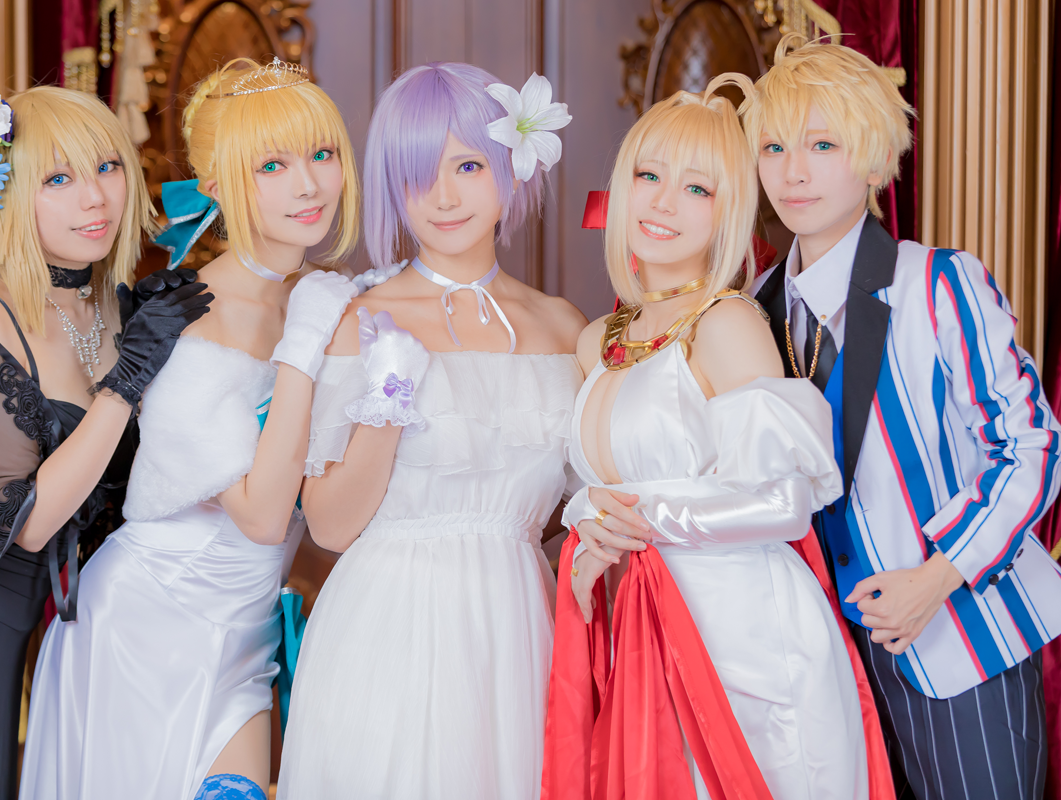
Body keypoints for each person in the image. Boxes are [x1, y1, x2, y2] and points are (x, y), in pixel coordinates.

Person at [19, 58, 362, 800]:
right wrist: (304, 344)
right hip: (146, 627)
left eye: (322, 154)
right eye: (272, 165)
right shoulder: (193, 324)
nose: (308, 185)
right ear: (216, 184)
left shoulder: (326, 300)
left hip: (247, 630)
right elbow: (263, 516)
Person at [0, 83, 211, 799]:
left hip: (5, 621)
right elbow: (27, 522)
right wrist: (127, 383)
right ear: (12, 194)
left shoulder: (111, 306)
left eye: (107, 167)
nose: (96, 198)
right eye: (58, 179)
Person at [544, 75, 888, 799]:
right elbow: (591, 495)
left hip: (749, 645)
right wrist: (589, 523)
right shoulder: (594, 341)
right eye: (649, 176)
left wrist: (642, 518)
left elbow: (785, 503)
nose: (664, 202)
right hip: (643, 627)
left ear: (727, 210)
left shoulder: (727, 323)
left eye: (697, 188)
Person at [744, 34, 1061, 800]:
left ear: (874, 155)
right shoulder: (753, 307)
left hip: (959, 646)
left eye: (822, 144)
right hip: (821, 667)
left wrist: (937, 577)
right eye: (775, 147)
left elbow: (1031, 447)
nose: (793, 171)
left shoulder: (939, 283)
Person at [276, 63, 587, 800]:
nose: (444, 196)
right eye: (419, 174)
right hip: (389, 625)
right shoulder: (361, 319)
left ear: (512, 165)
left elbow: (569, 511)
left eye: (468, 166)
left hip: (519, 626)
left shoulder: (562, 326)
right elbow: (330, 525)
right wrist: (390, 396)